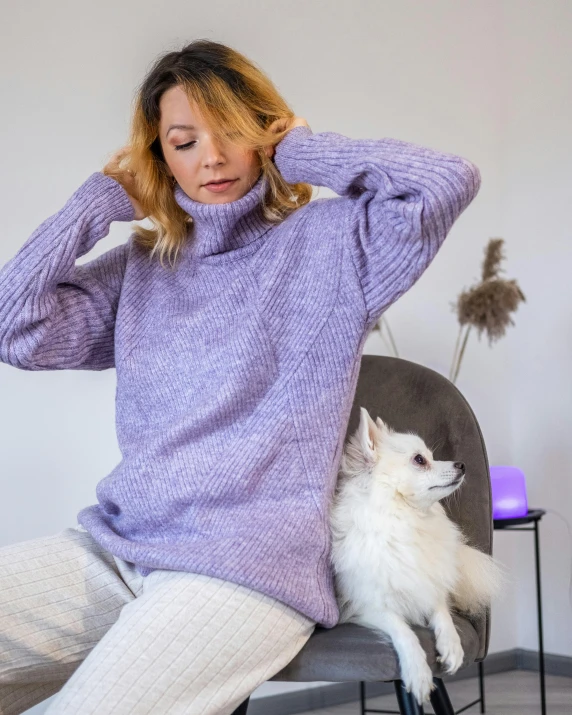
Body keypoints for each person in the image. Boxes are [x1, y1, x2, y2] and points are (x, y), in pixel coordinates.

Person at [0, 38, 481, 715]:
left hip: (246, 571)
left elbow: (445, 182)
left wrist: (306, 152)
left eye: (232, 130)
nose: (213, 157)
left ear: (264, 133)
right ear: (157, 156)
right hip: (119, 551)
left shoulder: (332, 246)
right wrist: (98, 200)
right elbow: (12, 325)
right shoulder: (143, 268)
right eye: (184, 140)